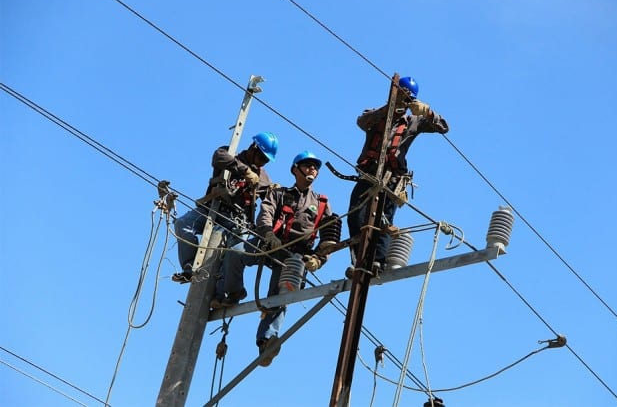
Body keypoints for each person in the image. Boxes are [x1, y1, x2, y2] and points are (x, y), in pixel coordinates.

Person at [215, 151, 340, 366]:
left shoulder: (321, 203)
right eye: (308, 165)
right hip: (270, 242)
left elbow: (330, 236)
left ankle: (266, 341)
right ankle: (233, 291)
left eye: (315, 167)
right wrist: (268, 234)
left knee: (280, 296)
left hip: (295, 255)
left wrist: (319, 259)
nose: (312, 170)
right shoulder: (279, 193)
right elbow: (265, 213)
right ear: (295, 169)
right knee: (236, 252)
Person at [347, 76, 449, 271]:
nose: (403, 99)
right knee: (355, 216)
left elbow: (443, 127)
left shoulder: (412, 122)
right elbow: (362, 121)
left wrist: (427, 112)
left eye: (407, 97)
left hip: (391, 178)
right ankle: (358, 259)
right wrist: (391, 108)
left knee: (384, 221)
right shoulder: (376, 115)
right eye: (400, 94)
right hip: (369, 174)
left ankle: (377, 262)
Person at [171, 132, 279, 284]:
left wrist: (275, 192)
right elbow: (218, 156)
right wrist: (245, 171)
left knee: (232, 256)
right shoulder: (230, 154)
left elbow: (270, 201)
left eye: (266, 161)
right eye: (261, 158)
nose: (262, 163)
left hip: (235, 221)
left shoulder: (263, 177)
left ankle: (224, 294)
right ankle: (191, 267)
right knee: (182, 224)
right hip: (212, 209)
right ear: (253, 148)